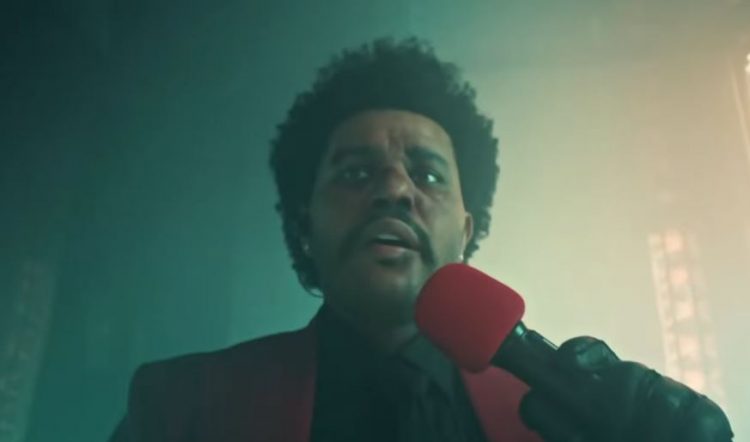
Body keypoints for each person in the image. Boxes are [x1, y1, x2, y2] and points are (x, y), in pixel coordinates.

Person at [110, 38, 734, 442]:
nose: (394, 190)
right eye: (356, 173)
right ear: (305, 225)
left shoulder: (566, 423)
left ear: (466, 230)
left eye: (429, 174)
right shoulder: (181, 407)